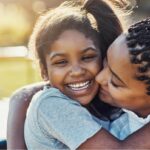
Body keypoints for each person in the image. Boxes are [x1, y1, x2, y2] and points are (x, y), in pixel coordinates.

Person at [7, 0, 150, 149]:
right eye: (61, 62)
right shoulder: (52, 105)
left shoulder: (109, 106)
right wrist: (19, 99)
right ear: (43, 71)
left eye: (87, 57)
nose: (76, 71)